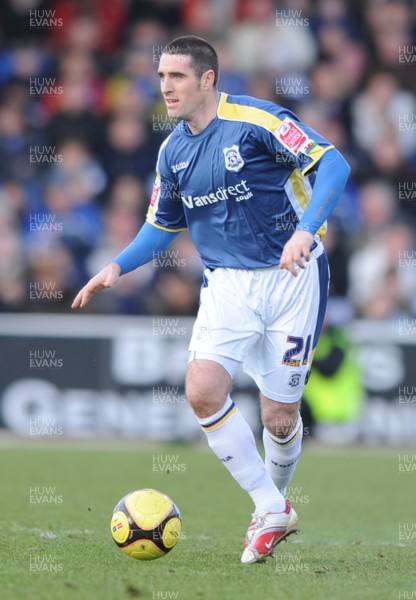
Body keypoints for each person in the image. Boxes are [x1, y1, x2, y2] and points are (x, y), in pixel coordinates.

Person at [72, 36, 350, 564]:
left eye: (176, 76)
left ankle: (274, 503)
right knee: (201, 389)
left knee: (280, 420)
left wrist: (306, 230)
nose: (165, 87)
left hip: (293, 277)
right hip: (227, 283)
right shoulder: (172, 150)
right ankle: (270, 508)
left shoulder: (257, 121)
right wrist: (116, 265)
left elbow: (333, 165)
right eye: (160, 77)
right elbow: (161, 225)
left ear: (207, 79)